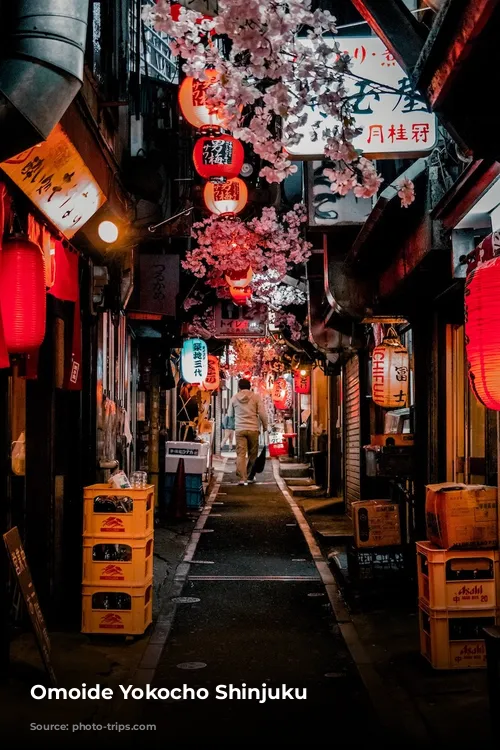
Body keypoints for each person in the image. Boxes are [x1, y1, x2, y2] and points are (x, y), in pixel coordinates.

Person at [227, 378, 268, 485]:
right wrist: (265, 426)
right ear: (250, 386)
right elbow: (262, 413)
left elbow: (230, 414)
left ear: (239, 387)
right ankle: (250, 475)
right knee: (252, 454)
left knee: (240, 454)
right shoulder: (256, 397)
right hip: (253, 429)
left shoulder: (234, 398)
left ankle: (242, 478)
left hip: (240, 429)